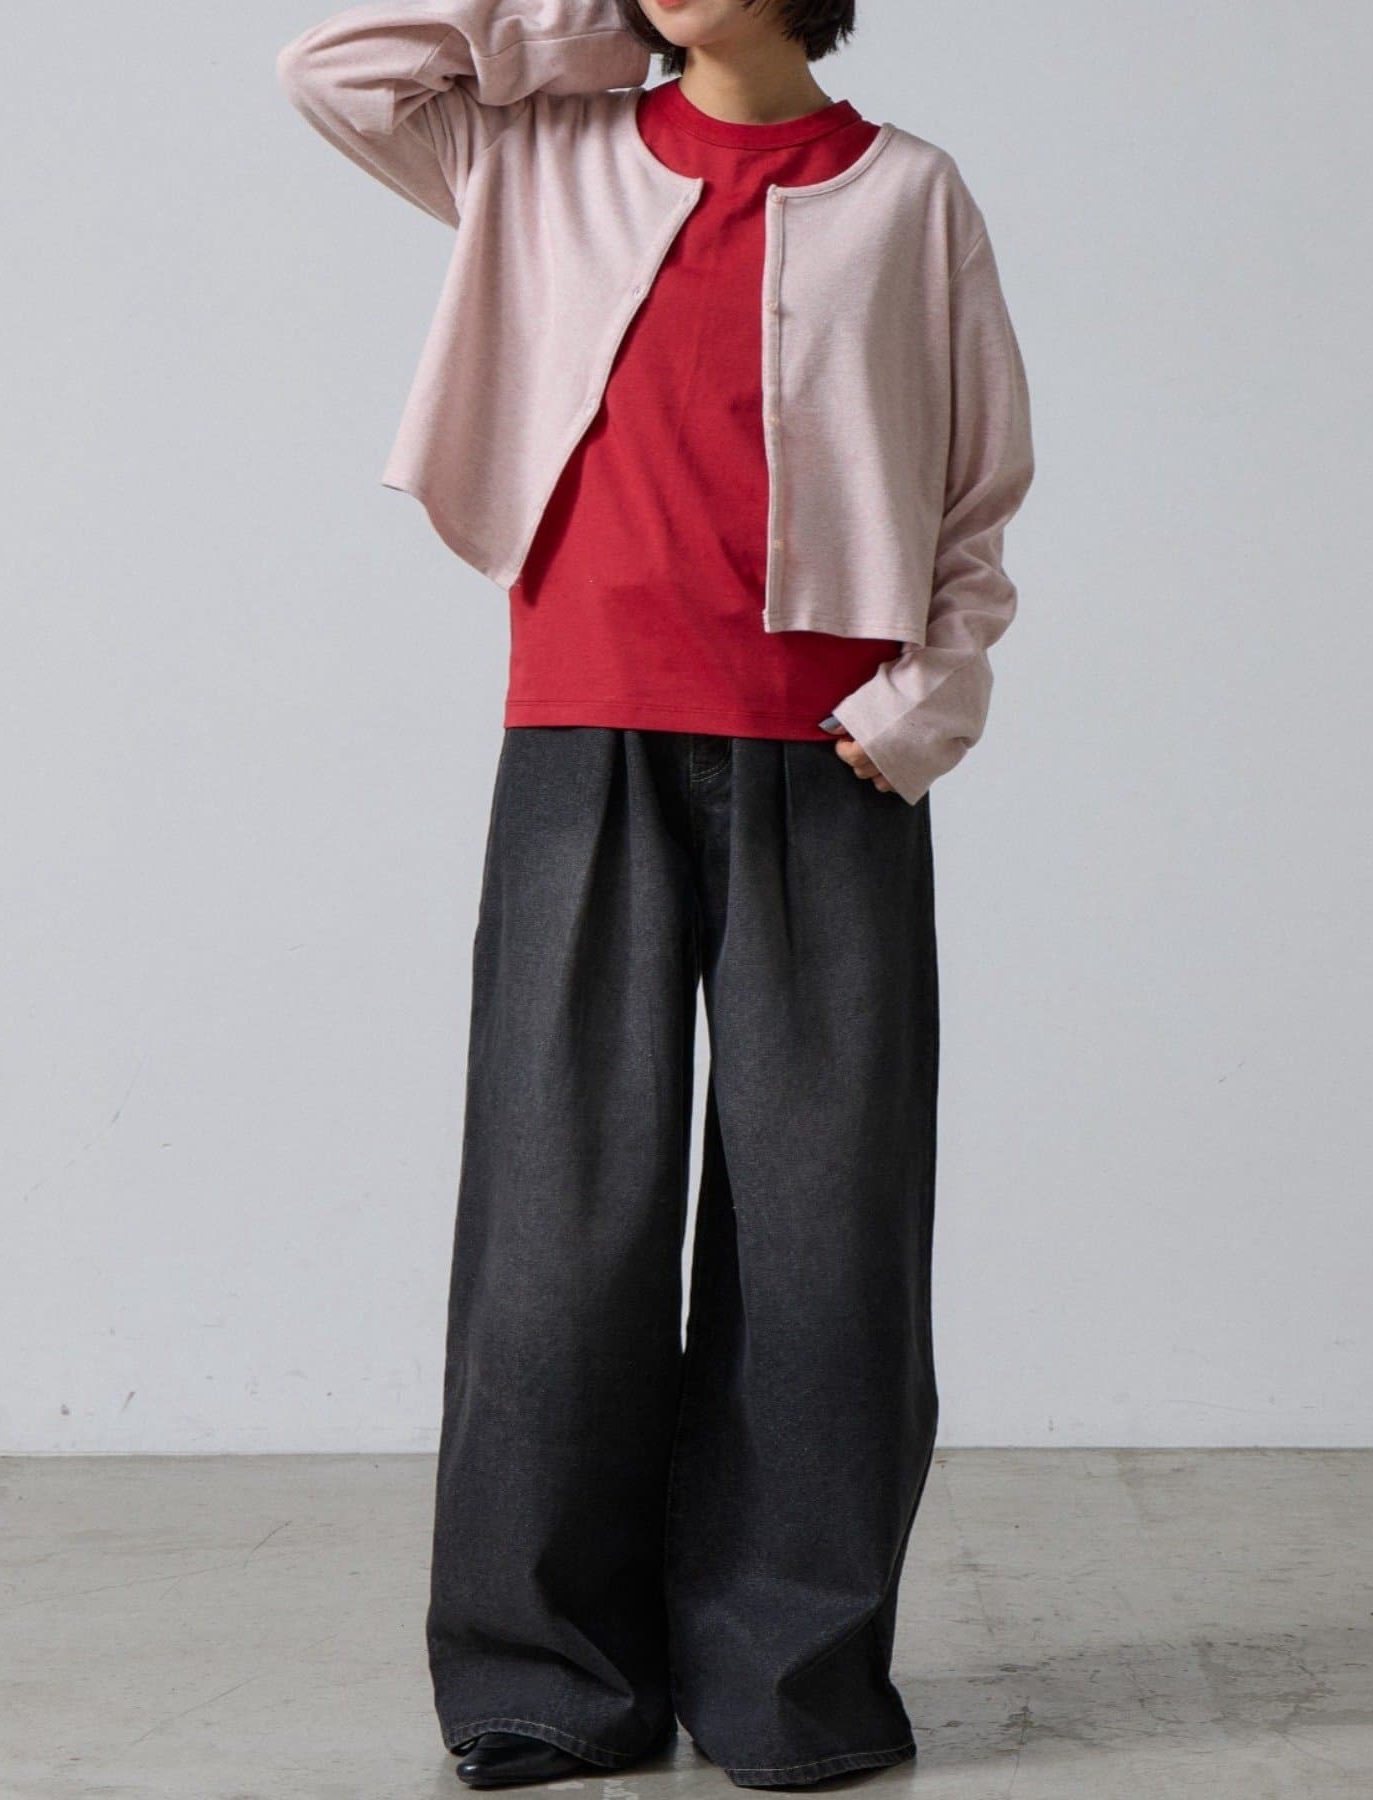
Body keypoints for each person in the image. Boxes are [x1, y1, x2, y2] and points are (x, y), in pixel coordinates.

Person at [275, 0, 1035, 1787]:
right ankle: (545, 1679)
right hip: (583, 737)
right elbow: (335, 70)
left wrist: (924, 705)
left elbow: (978, 486)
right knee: (557, 1223)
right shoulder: (536, 149)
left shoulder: (910, 194)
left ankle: (790, 1687)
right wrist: (582, 29)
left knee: (826, 1242)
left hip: (829, 763)